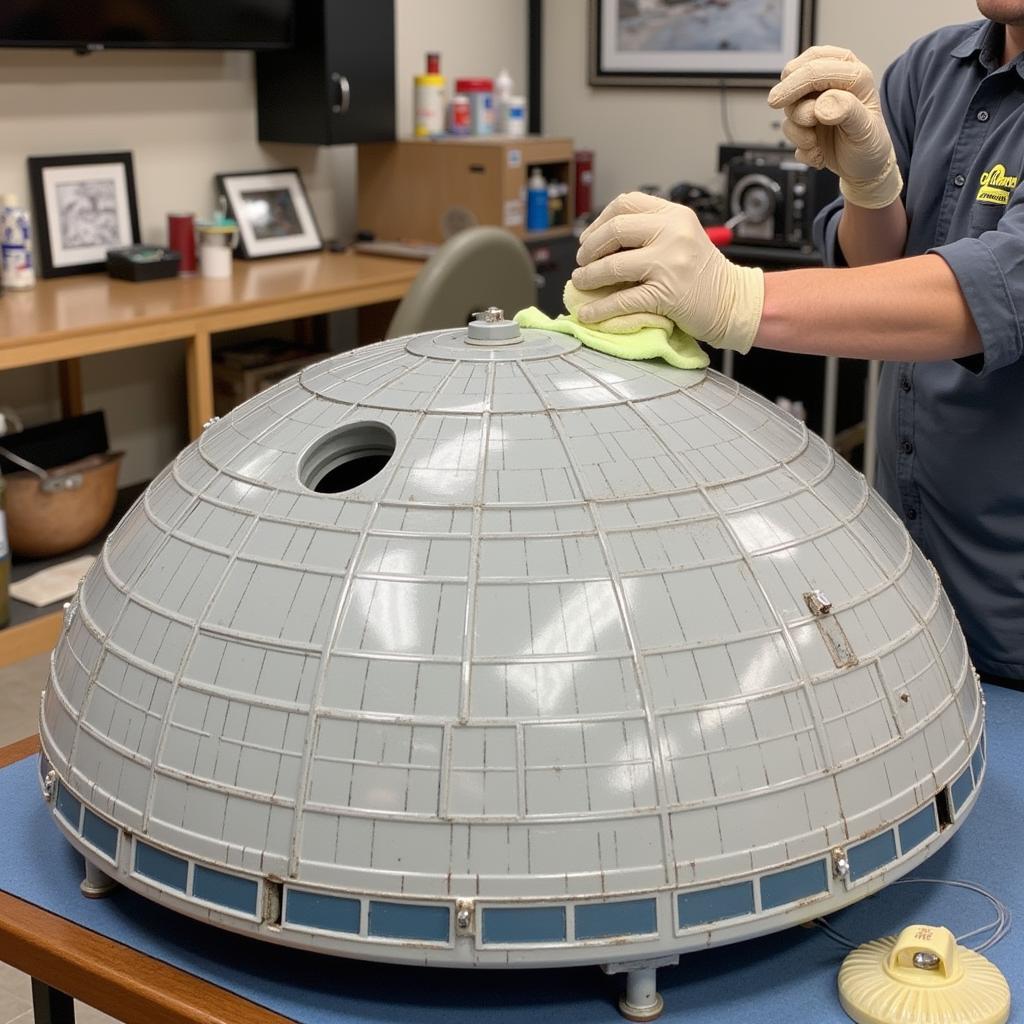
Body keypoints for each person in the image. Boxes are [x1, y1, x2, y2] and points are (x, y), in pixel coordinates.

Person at [572, 6, 1024, 686]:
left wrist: (733, 298)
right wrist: (871, 189)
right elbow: (877, 271)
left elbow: (987, 296)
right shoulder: (936, 68)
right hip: (913, 558)